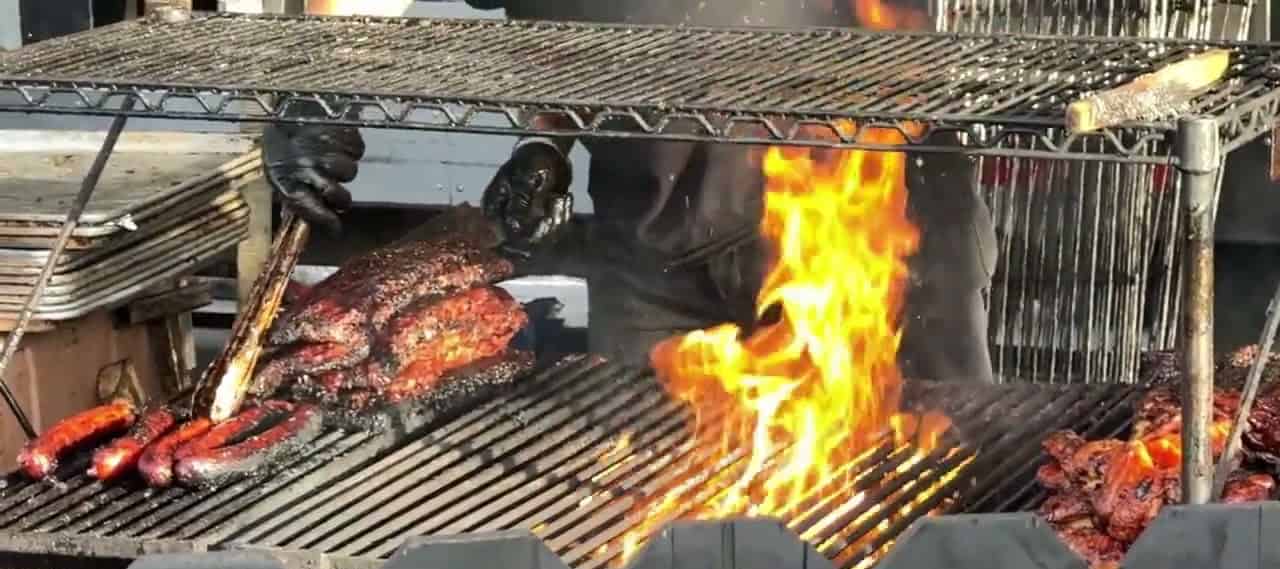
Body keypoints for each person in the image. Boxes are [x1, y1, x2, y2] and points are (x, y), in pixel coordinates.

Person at [263, 0, 997, 382]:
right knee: (646, 489)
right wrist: (321, 84)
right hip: (652, 246)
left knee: (923, 483)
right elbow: (565, 31)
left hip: (866, 235)